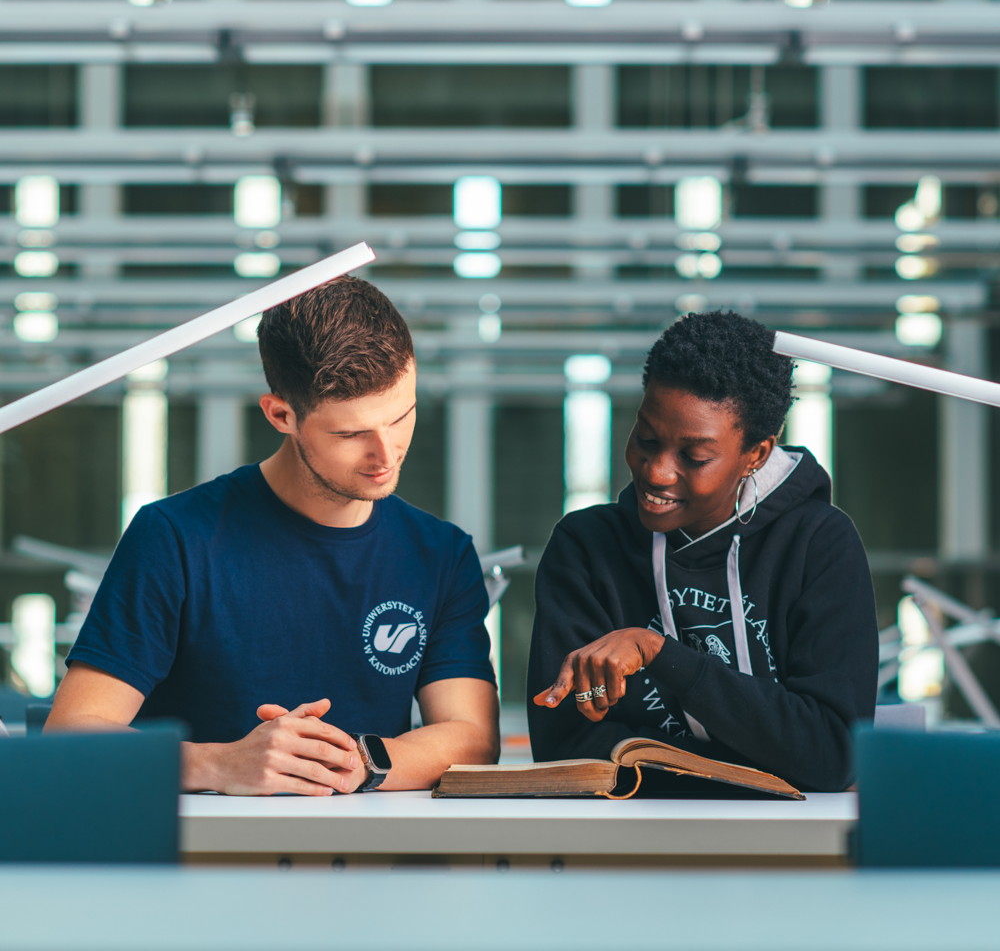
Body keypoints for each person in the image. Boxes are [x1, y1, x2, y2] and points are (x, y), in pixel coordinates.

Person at [48, 276, 499, 795]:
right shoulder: (173, 538)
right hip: (202, 860)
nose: (386, 454)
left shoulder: (440, 554)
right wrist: (218, 765)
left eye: (401, 416)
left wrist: (357, 761)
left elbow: (472, 736)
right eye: (350, 434)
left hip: (371, 863)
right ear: (281, 414)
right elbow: (72, 734)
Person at [528, 311, 878, 793]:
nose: (656, 472)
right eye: (646, 439)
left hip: (791, 847)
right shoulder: (586, 547)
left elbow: (832, 756)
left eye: (694, 457)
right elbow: (564, 747)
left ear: (754, 454)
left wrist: (657, 652)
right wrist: (761, 757)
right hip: (625, 844)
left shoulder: (819, 545)